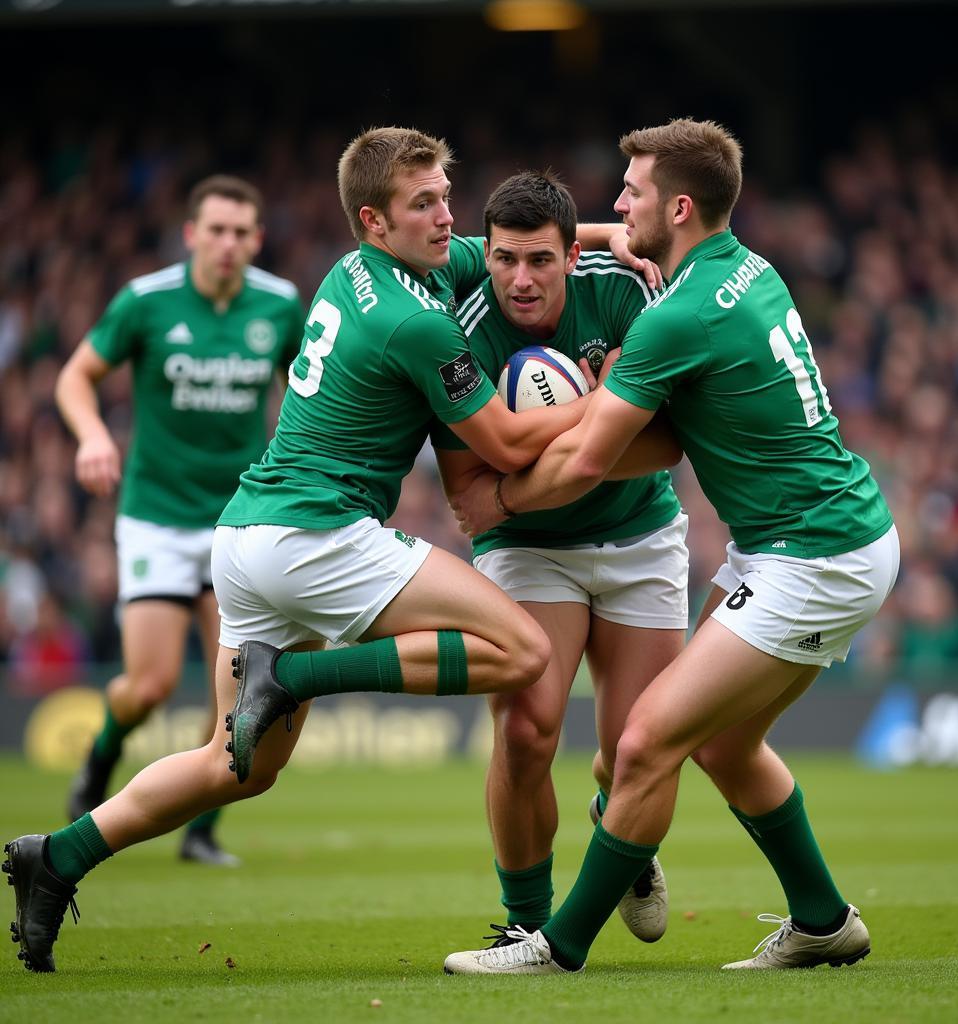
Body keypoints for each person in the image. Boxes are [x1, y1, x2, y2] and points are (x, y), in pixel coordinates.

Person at [3, 126, 636, 974]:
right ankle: (295, 675)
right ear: (376, 220)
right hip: (318, 536)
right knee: (521, 650)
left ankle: (60, 854)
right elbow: (513, 442)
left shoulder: (361, 270)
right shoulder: (416, 321)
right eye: (427, 204)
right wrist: (602, 392)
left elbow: (499, 247)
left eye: (447, 195)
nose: (449, 217)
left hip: (245, 538)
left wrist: (606, 236)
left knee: (236, 766)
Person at [443, 118, 900, 975]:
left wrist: (495, 496)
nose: (618, 205)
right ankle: (824, 920)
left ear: (679, 206)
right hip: (816, 540)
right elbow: (662, 440)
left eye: (633, 193)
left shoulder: (674, 316)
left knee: (647, 740)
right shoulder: (743, 266)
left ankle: (558, 946)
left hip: (814, 553)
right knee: (723, 745)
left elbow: (586, 461)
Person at [434, 171, 687, 948]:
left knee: (631, 753)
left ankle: (623, 838)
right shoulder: (459, 329)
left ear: (573, 255)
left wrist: (538, 467)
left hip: (640, 536)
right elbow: (471, 494)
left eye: (540, 260)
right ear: (488, 253)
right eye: (505, 258)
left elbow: (667, 444)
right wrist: (597, 417)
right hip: (527, 550)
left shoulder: (624, 292)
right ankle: (526, 925)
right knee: (523, 733)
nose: (521, 279)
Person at [54, 175, 306, 867]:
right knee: (151, 684)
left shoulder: (280, 306)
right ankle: (98, 764)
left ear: (257, 240)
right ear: (191, 235)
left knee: (235, 689)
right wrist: (93, 437)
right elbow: (75, 377)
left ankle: (199, 829)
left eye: (242, 233)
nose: (228, 244)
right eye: (216, 230)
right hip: (157, 515)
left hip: (240, 518)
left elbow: (308, 388)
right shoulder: (146, 301)